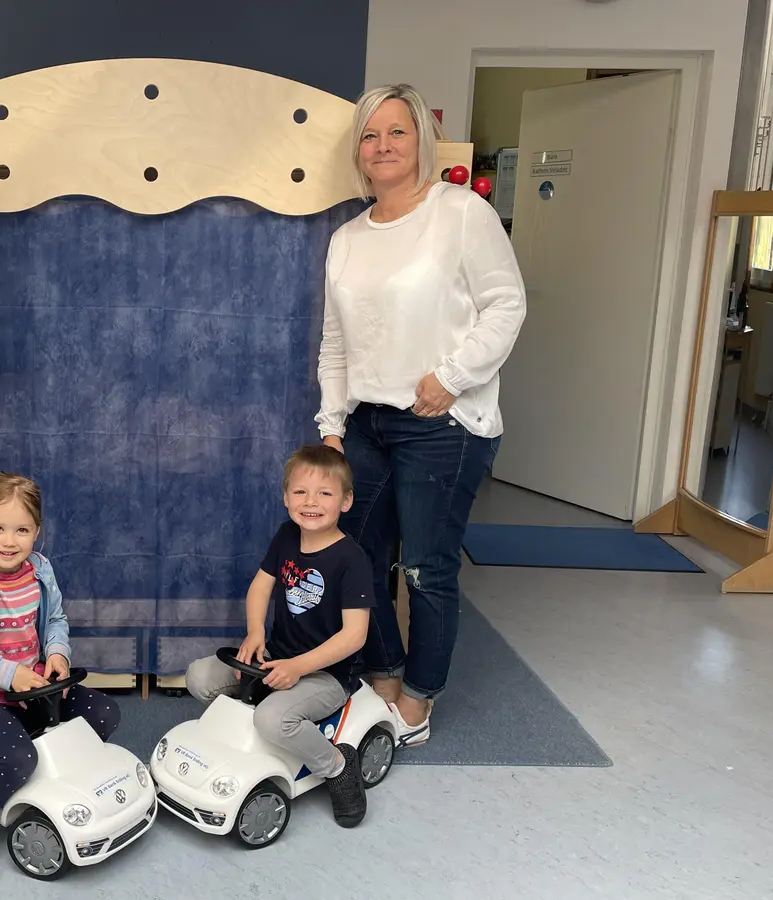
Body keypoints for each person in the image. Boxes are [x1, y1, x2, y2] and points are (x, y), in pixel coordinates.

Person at [315, 84, 526, 749]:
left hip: (443, 423)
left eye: (396, 132)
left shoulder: (460, 213)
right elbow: (336, 342)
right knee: (358, 558)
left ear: (420, 143)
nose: (382, 146)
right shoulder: (346, 238)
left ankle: (416, 701)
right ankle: (382, 676)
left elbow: (506, 306)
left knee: (426, 570)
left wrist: (452, 378)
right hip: (366, 425)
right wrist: (331, 425)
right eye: (370, 135)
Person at [0, 473, 121, 882]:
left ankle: (58, 779)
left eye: (22, 530)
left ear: (37, 532)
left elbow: (55, 622)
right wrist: (8, 674)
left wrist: (57, 653)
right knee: (18, 757)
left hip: (34, 686)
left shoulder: (40, 570)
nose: (9, 541)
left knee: (104, 713)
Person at [184, 445, 373, 828]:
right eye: (300, 492)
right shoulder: (287, 536)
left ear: (346, 501)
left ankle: (337, 764)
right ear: (286, 497)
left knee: (272, 721)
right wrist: (255, 632)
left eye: (325, 493)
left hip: (326, 675)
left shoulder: (352, 560)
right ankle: (246, 730)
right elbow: (260, 587)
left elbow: (355, 636)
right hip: (278, 656)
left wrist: (298, 667)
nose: (311, 502)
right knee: (199, 676)